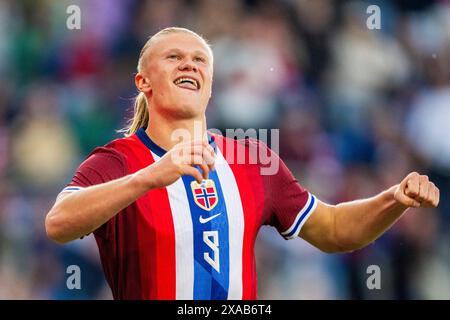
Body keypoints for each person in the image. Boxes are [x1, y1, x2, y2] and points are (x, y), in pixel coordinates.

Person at [45, 27, 440, 300]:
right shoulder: (118, 161)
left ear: (210, 84)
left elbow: (334, 229)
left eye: (200, 60)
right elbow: (59, 224)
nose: (190, 65)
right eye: (174, 57)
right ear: (143, 82)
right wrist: (149, 177)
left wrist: (394, 199)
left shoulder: (253, 160)